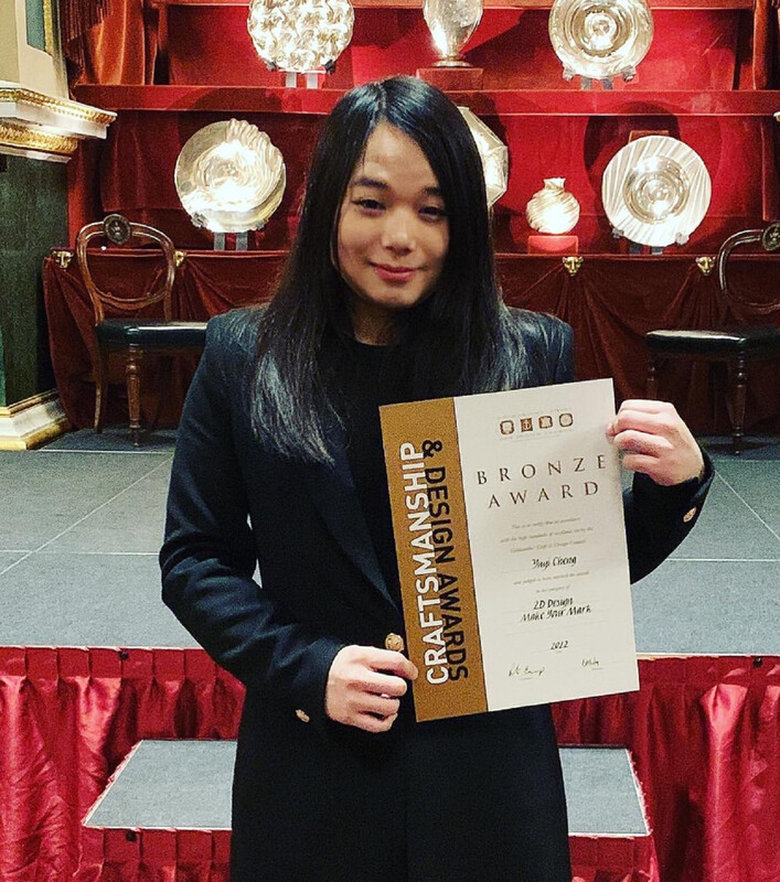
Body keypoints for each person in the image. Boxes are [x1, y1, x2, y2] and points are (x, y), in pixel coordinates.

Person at [160, 75, 712, 881]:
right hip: (317, 763)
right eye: (371, 203)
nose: (400, 237)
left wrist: (676, 488)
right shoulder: (243, 357)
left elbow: (564, 567)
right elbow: (195, 560)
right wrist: (308, 666)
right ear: (326, 206)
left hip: (486, 769)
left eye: (433, 210)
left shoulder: (529, 353)